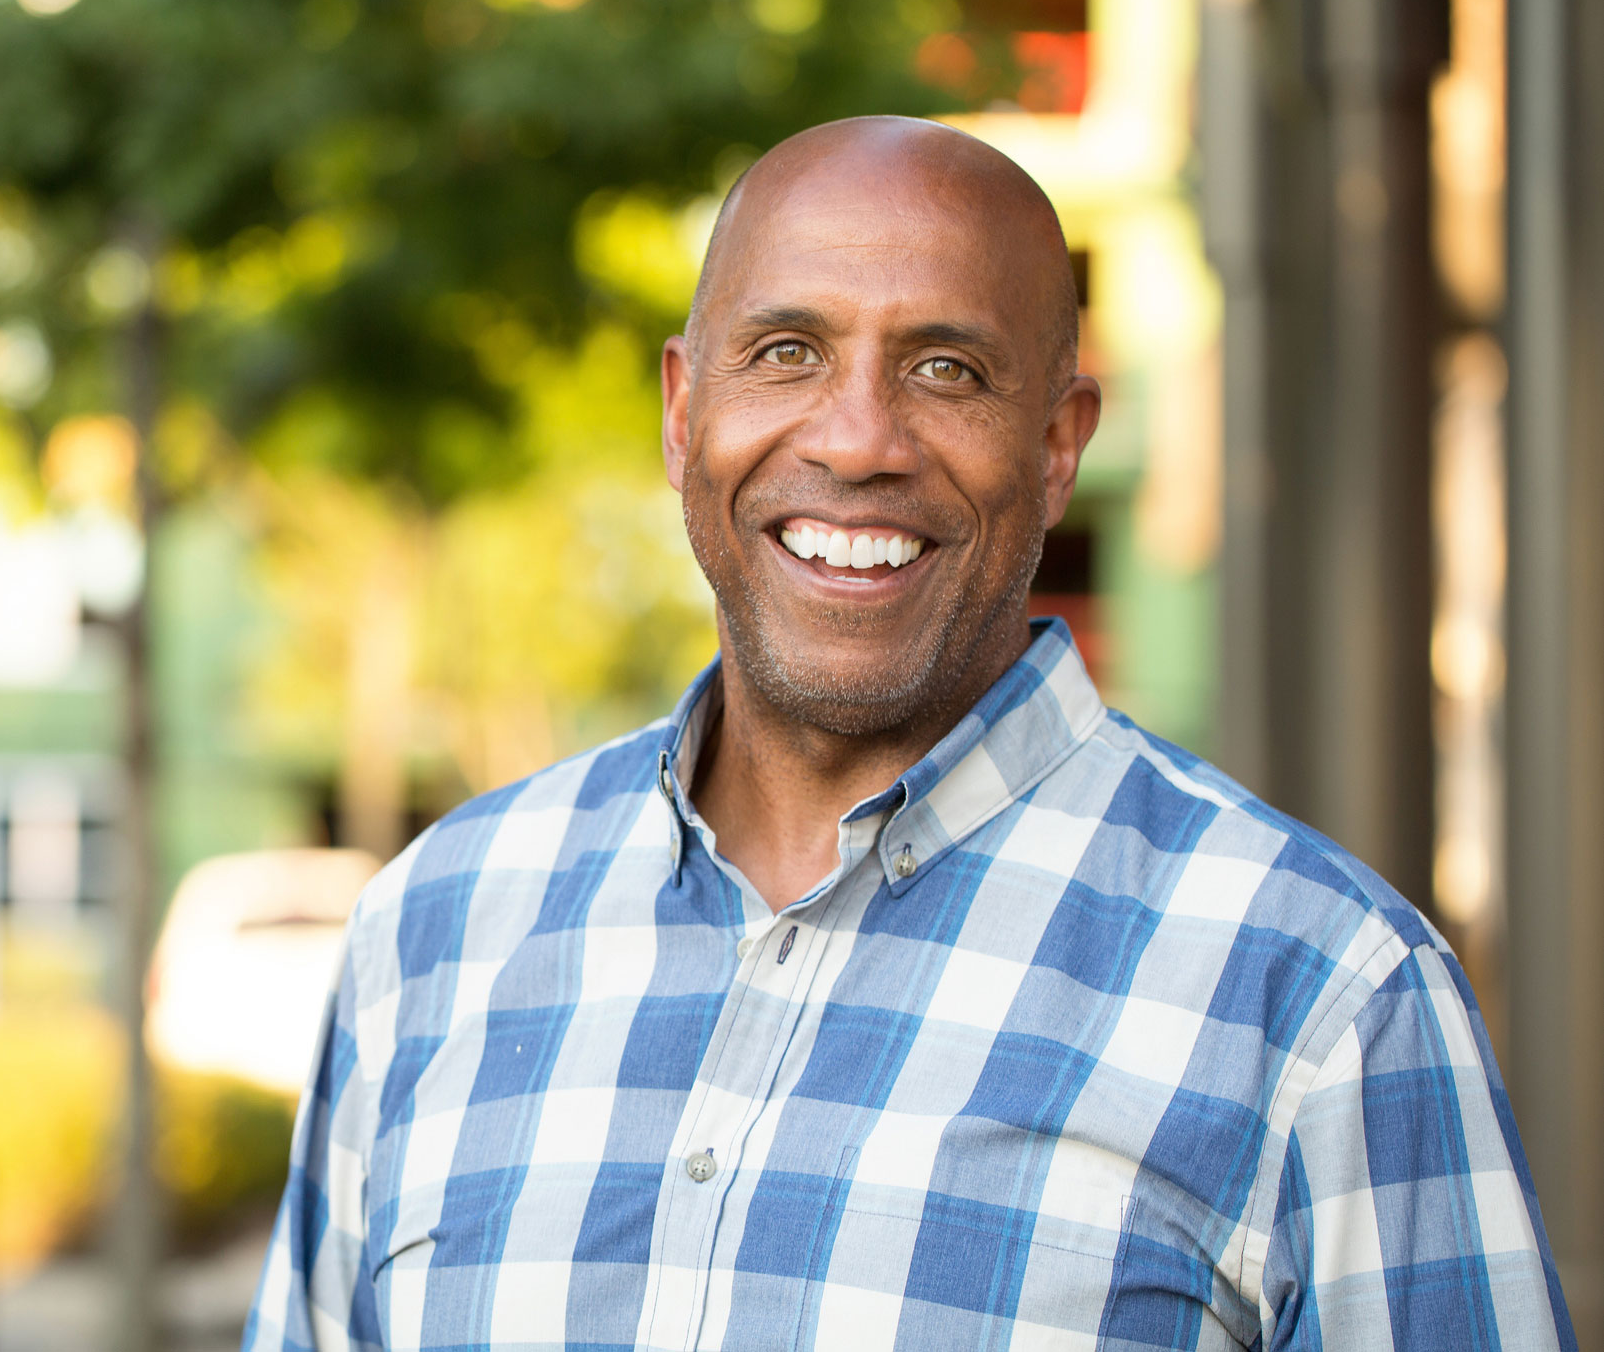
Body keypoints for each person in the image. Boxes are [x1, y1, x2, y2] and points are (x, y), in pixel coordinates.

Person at [243, 116, 1572, 1351]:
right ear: (680, 411)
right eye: (784, 353)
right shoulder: (432, 929)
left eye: (946, 369)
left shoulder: (1325, 993)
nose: (860, 438)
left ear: (1056, 446)